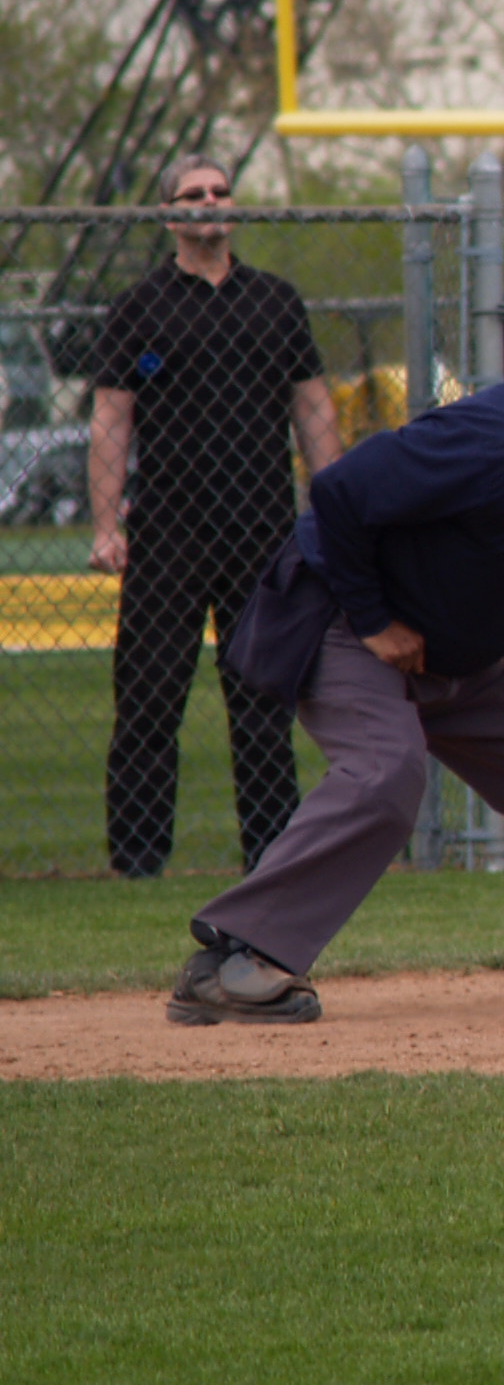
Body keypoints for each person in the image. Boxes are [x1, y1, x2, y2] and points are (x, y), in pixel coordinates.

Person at [164, 292, 504, 1025]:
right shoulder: (495, 437)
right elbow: (340, 493)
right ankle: (237, 956)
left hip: (461, 657)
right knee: (386, 774)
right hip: (349, 623)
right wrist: (375, 619)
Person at [87, 154, 342, 878]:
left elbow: (313, 408)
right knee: (148, 696)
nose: (209, 201)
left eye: (220, 191)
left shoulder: (275, 302)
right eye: (193, 194)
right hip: (167, 532)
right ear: (170, 215)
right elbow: (111, 419)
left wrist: (332, 514)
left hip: (263, 532)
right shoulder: (138, 308)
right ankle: (138, 859)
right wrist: (106, 526)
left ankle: (271, 854)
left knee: (262, 699)